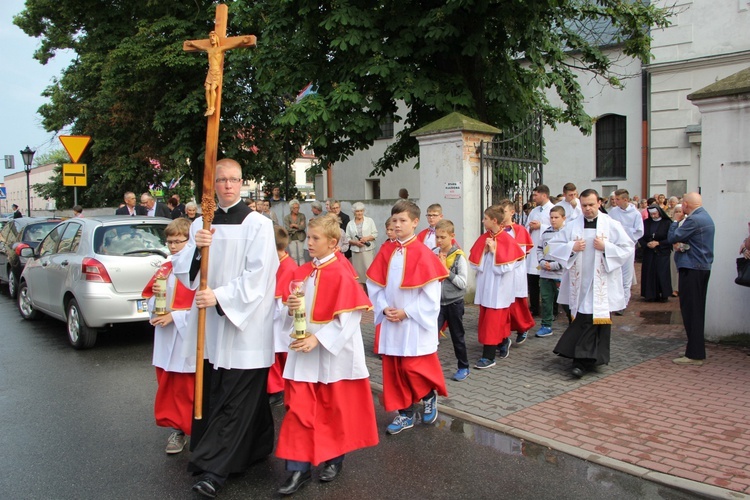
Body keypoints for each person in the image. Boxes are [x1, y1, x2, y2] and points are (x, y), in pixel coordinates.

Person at [172, 158, 278, 498]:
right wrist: (197, 250)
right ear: (213, 184)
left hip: (245, 326)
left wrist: (217, 296)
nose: (228, 185)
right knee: (223, 392)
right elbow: (182, 268)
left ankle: (215, 470)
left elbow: (258, 277)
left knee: (235, 398)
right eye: (222, 180)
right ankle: (256, 447)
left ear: (243, 182)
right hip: (211, 326)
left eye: (234, 180)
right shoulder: (200, 224)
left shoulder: (257, 224)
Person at [275, 214, 378, 495]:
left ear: (333, 243)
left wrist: (318, 339)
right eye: (308, 237)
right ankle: (298, 469)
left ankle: (334, 459)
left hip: (332, 355)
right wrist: (291, 305)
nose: (308, 242)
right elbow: (291, 310)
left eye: (315, 238)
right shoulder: (303, 271)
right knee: (298, 410)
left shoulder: (342, 273)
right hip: (303, 352)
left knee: (333, 410)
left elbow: (349, 319)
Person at [366, 200, 448, 435]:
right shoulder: (386, 250)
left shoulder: (423, 252)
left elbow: (432, 294)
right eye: (395, 221)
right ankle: (404, 414)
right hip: (392, 321)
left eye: (403, 220)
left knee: (414, 367)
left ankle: (428, 395)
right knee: (394, 372)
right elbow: (374, 284)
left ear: (414, 222)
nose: (398, 225)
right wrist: (382, 308)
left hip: (414, 323)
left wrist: (407, 312)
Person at [547, 189, 635, 378]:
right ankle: (586, 358)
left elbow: (628, 247)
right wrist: (572, 247)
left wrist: (606, 248)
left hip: (601, 282)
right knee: (585, 319)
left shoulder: (611, 224)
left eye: (591, 205)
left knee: (594, 320)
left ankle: (583, 360)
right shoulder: (572, 225)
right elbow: (553, 246)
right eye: (584, 205)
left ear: (599, 203)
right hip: (579, 283)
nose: (587, 209)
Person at [141, 218, 196, 455]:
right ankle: (178, 430)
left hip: (187, 336)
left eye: (178, 242)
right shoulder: (165, 266)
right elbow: (149, 300)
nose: (173, 246)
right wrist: (155, 301)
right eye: (169, 242)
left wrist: (175, 317)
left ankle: (197, 430)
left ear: (190, 240)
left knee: (189, 387)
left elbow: (201, 305)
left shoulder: (197, 268)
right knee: (168, 385)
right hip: (166, 337)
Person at [469, 204, 524, 369]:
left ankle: (489, 356)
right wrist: (484, 251)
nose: (482, 221)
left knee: (493, 322)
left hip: (499, 288)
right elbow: (474, 262)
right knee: (488, 319)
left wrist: (494, 252)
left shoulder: (507, 239)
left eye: (485, 218)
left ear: (494, 220)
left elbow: (508, 267)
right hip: (486, 285)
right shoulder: (484, 237)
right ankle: (503, 340)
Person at [667, 192, 714, 366]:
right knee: (696, 310)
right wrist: (684, 247)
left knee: (691, 311)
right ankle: (694, 349)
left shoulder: (694, 220)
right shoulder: (704, 216)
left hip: (693, 269)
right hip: (700, 267)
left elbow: (673, 237)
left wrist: (674, 221)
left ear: (686, 205)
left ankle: (695, 354)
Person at [433, 220, 469, 381]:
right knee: (431, 337)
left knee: (457, 336)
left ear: (452, 236)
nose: (439, 241)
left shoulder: (458, 257)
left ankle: (463, 366)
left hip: (454, 303)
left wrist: (446, 271)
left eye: (442, 237)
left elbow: (463, 283)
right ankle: (431, 369)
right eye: (437, 237)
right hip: (436, 303)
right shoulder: (433, 253)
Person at [498, 198, 535, 347]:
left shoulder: (519, 230)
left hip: (515, 272)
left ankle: (522, 328)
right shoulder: (497, 229)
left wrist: (508, 265)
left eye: (504, 212)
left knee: (517, 306)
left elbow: (521, 254)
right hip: (501, 272)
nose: (501, 215)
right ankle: (503, 334)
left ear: (512, 212)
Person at [268, 226, 297, 408]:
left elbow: (283, 299)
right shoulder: (276, 262)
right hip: (272, 319)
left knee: (283, 355)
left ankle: (281, 389)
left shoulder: (288, 267)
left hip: (281, 319)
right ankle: (275, 388)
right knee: (274, 356)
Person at [607, 189, 644, 313]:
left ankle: (623, 303)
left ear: (625, 200)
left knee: (626, 276)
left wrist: (623, 231)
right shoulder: (613, 212)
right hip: (615, 246)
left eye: (618, 199)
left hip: (628, 246)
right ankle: (614, 301)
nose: (615, 201)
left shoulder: (635, 214)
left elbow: (639, 231)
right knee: (615, 274)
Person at [536, 206, 566, 338]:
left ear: (563, 218)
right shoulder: (546, 233)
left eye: (556, 217)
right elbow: (539, 249)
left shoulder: (567, 233)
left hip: (560, 274)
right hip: (545, 273)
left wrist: (556, 265)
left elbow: (570, 253)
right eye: (551, 217)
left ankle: (574, 323)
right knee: (546, 299)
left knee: (565, 300)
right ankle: (546, 325)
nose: (553, 220)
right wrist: (542, 262)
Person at [525, 185, 555, 317]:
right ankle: (534, 307)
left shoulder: (553, 209)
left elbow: (557, 227)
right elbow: (526, 226)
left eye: (536, 195)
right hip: (533, 248)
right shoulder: (534, 211)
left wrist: (541, 226)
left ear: (544, 195)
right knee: (532, 280)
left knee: (548, 281)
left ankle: (552, 309)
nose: (534, 198)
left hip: (547, 248)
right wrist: (530, 227)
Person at [639, 205, 673, 302]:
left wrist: (659, 243)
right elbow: (640, 236)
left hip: (662, 251)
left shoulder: (667, 223)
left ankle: (663, 294)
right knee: (649, 272)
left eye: (655, 214)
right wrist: (646, 244)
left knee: (661, 273)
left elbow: (670, 238)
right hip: (649, 251)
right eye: (651, 214)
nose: (653, 216)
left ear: (659, 212)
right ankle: (650, 294)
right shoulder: (646, 223)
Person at [346, 202, 378, 292]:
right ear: (354, 212)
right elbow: (347, 238)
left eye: (361, 211)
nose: (359, 213)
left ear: (363, 211)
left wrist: (366, 238)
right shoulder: (350, 224)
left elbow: (375, 234)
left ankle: (371, 293)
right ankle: (361, 295)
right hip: (356, 252)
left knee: (369, 272)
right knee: (358, 275)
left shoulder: (370, 221)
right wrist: (355, 242)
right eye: (357, 211)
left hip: (368, 251)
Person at [283, 200, 307, 265]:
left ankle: (302, 271)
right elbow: (287, 229)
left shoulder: (302, 216)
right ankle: (295, 271)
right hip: (291, 238)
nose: (297, 209)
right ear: (291, 208)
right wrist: (298, 227)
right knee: (294, 256)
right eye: (295, 208)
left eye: (298, 207)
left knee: (301, 255)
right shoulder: (287, 217)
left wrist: (294, 225)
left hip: (300, 238)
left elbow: (303, 227)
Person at [669, 204, 684, 297]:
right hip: (674, 247)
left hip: (683, 247)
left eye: (680, 211)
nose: (678, 213)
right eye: (676, 211)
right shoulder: (672, 223)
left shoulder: (687, 222)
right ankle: (674, 288)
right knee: (673, 269)